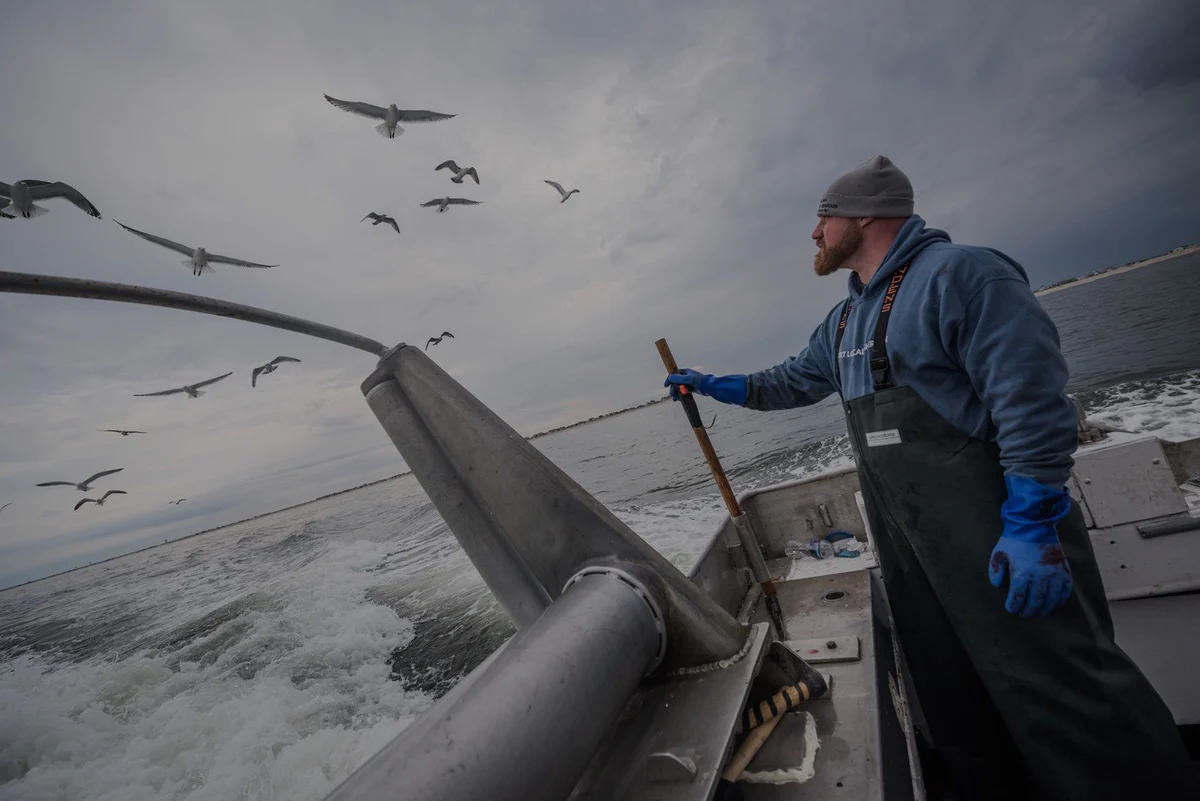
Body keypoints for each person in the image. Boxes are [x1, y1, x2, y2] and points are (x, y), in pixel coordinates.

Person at [665, 155, 1198, 800]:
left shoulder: (963, 276)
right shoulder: (843, 322)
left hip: (1002, 539)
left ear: (864, 215)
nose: (814, 234)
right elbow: (788, 381)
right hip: (915, 554)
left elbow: (1031, 401)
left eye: (823, 218)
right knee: (957, 696)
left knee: (1059, 689)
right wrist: (716, 385)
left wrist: (1030, 525)